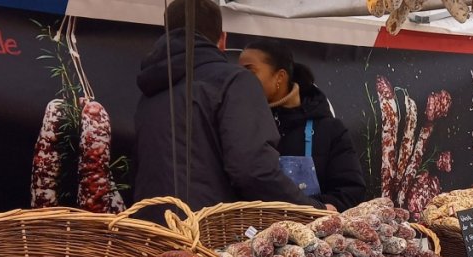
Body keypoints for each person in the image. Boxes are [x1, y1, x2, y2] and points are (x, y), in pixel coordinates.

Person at [132, 0, 323, 214]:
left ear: (166, 33)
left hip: (149, 233)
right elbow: (253, 170)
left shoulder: (149, 91)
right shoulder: (234, 81)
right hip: (206, 233)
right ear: (222, 39)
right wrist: (313, 211)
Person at [238, 39, 366, 212]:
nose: (239, 79)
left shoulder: (329, 130)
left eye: (249, 71)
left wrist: (309, 210)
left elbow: (350, 192)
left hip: (312, 234)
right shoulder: (241, 125)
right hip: (251, 232)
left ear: (280, 77)